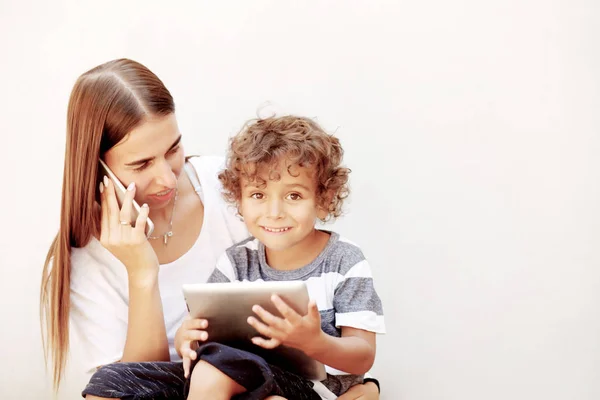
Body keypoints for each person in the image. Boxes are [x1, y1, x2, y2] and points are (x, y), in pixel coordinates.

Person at [39, 58, 381, 400]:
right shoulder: (81, 257)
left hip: (250, 380)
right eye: (141, 164)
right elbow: (137, 384)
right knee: (107, 385)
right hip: (190, 382)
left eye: (173, 149)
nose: (166, 177)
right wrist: (142, 273)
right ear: (98, 165)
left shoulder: (241, 190)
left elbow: (340, 324)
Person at [178, 116, 386, 400]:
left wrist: (316, 343)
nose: (274, 212)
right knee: (117, 378)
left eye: (293, 195)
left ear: (323, 200)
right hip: (245, 383)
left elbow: (362, 357)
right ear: (239, 199)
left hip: (312, 391)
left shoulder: (344, 262)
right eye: (258, 193)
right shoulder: (235, 263)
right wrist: (185, 338)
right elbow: (200, 330)